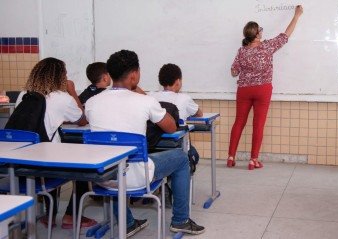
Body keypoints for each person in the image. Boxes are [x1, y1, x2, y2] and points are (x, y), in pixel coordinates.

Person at [85, 50, 205, 237]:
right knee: (181, 158)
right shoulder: (146, 102)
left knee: (115, 161)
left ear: (110, 74)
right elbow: (172, 128)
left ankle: (128, 223)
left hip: (103, 177)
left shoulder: (91, 103)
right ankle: (180, 220)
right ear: (134, 75)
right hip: (135, 176)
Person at [14, 57, 97, 229]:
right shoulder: (61, 97)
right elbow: (81, 119)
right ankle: (71, 216)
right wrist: (72, 91)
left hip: (21, 163)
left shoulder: (24, 94)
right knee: (83, 166)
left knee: (48, 152)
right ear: (60, 76)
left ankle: (49, 215)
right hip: (47, 166)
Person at [227, 5, 303, 170]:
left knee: (239, 121)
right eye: (260, 29)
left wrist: (239, 69)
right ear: (257, 34)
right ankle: (253, 160)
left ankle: (231, 156)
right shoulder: (267, 46)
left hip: (244, 90)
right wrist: (296, 16)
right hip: (263, 89)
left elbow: (234, 72)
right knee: (258, 124)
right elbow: (285, 35)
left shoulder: (242, 51)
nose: (262, 31)